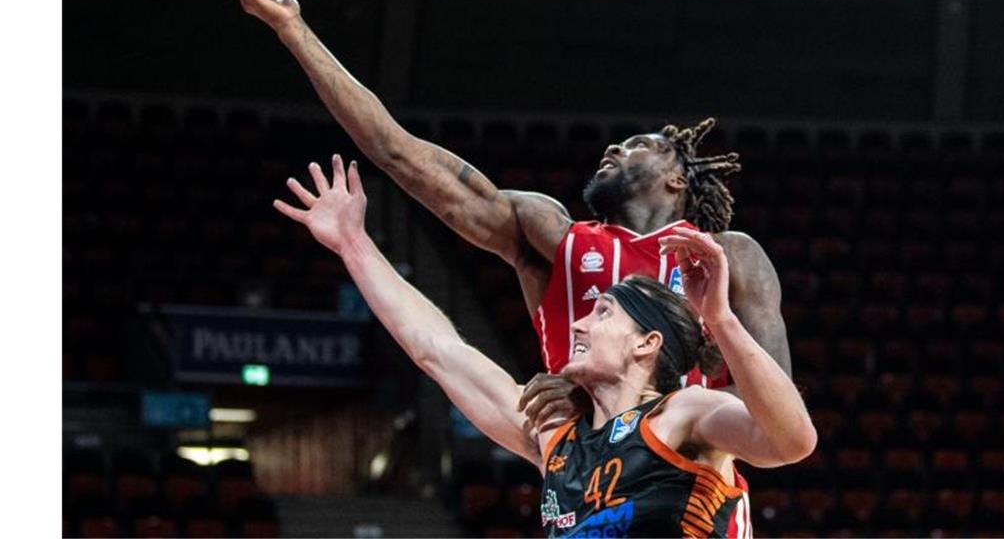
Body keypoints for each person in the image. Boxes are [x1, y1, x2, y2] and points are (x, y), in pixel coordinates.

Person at [211, 0, 791, 411]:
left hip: (691, 479)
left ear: (677, 180)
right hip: (576, 466)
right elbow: (396, 152)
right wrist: (294, 31)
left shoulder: (728, 257)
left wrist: (628, 404)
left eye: (642, 145)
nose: (615, 145)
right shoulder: (549, 234)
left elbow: (780, 407)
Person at [274, 155, 816, 537]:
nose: (578, 323)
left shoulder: (685, 413)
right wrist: (353, 244)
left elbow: (791, 441)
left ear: (646, 344)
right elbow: (436, 349)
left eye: (603, 313)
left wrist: (719, 317)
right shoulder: (555, 437)